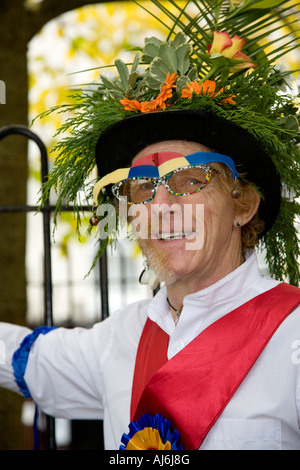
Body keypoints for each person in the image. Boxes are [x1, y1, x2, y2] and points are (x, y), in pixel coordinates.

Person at [1, 0, 300, 450]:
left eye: (190, 179)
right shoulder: (120, 336)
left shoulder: (293, 334)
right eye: (141, 187)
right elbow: (28, 360)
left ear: (244, 205)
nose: (160, 204)